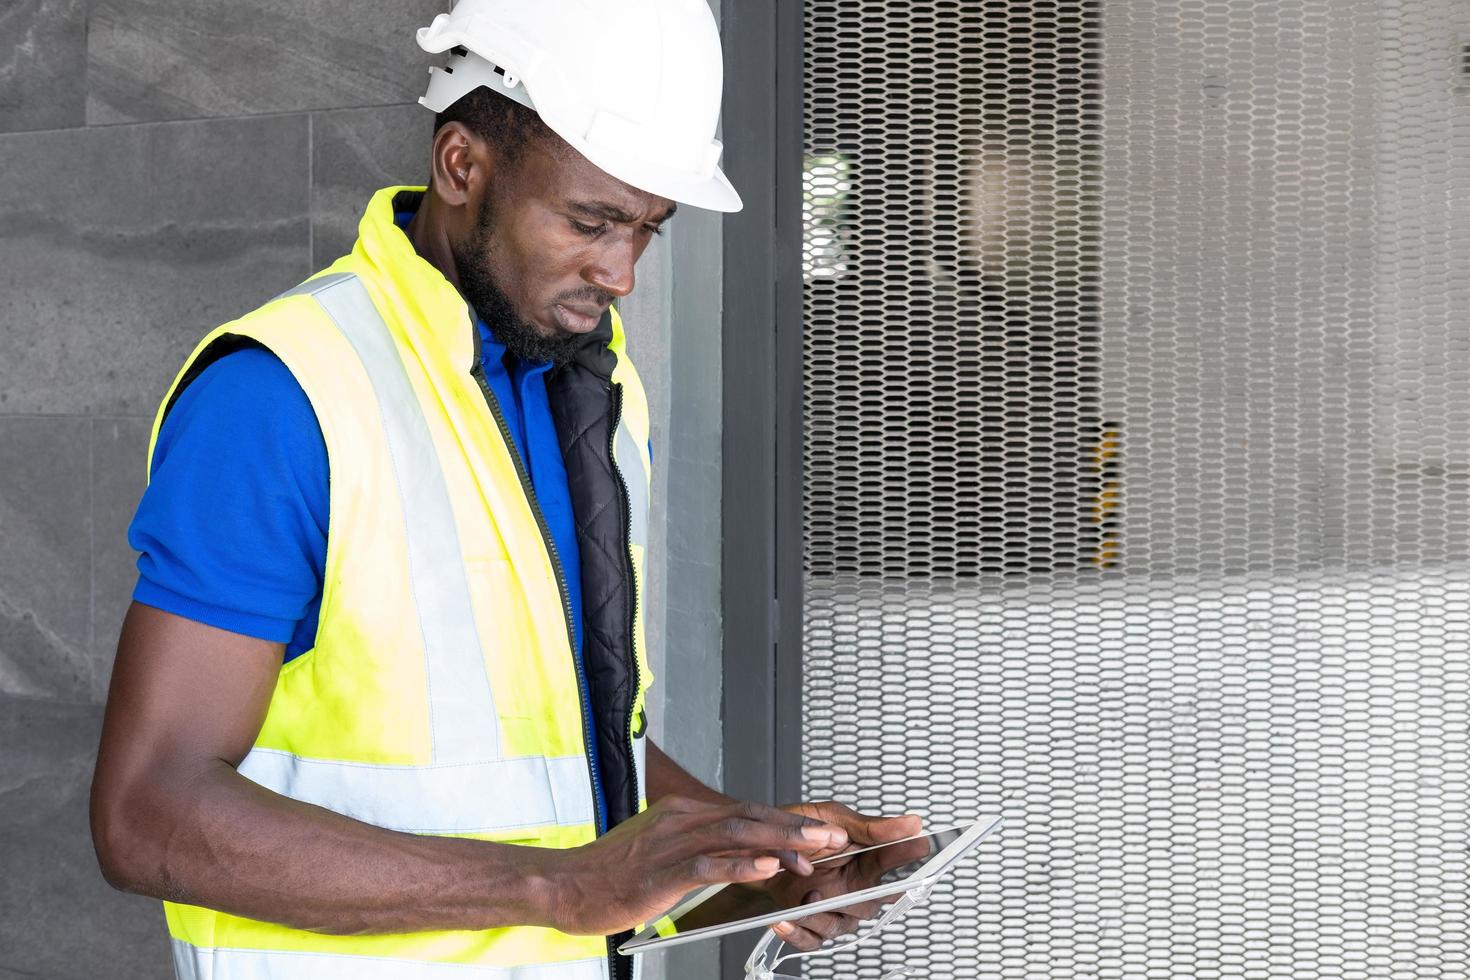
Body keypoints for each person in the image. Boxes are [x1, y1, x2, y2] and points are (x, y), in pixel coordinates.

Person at [88, 1, 920, 977]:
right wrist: (557, 886)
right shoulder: (281, 397)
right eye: (590, 220)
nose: (621, 271)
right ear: (462, 165)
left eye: (649, 229)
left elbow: (562, 749)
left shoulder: (589, 392)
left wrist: (745, 852)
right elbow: (146, 812)